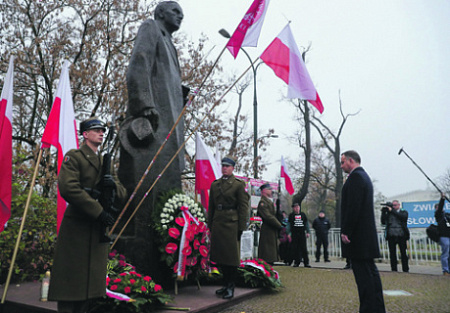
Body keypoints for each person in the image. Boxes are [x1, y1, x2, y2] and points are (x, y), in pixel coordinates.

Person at [48, 117, 127, 313]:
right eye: (97, 130)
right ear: (85, 134)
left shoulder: (104, 162)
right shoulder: (74, 157)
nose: (101, 133)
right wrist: (98, 212)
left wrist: (113, 186)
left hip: (96, 230)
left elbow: (123, 194)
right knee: (71, 286)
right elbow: (68, 188)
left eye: (102, 130)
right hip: (78, 228)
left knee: (90, 288)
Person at [340, 150, 385, 313]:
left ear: (351, 161)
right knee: (370, 275)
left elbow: (353, 207)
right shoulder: (363, 176)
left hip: (358, 238)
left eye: (343, 162)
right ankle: (376, 308)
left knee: (365, 278)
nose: (341, 166)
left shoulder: (356, 178)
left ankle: (369, 309)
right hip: (364, 237)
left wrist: (346, 231)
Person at [208, 157, 249, 299]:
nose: (225, 168)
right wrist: (209, 225)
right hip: (218, 222)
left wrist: (242, 227)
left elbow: (243, 207)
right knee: (220, 257)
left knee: (231, 258)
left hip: (232, 223)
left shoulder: (238, 185)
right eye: (223, 166)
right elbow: (211, 206)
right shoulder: (215, 184)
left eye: (228, 166)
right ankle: (224, 285)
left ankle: (231, 286)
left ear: (232, 168)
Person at [381, 200, 410, 272]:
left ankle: (405, 269)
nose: (393, 207)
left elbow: (403, 217)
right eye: (392, 205)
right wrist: (383, 212)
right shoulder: (388, 213)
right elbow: (383, 222)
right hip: (391, 235)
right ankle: (394, 269)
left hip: (401, 235)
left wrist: (392, 211)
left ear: (399, 205)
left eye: (395, 205)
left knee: (403, 253)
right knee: (392, 254)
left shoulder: (403, 212)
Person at [257, 183, 282, 265]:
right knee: (267, 252)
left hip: (271, 229)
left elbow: (273, 215)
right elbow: (268, 216)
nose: (271, 191)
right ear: (264, 191)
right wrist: (279, 225)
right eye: (269, 189)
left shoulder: (268, 201)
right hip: (267, 230)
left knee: (271, 251)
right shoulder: (263, 202)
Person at [287, 203, 311, 268]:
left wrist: (308, 232)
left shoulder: (303, 215)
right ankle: (296, 262)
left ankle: (306, 262)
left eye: (297, 207)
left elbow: (306, 224)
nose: (296, 208)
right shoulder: (291, 216)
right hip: (294, 233)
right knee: (295, 248)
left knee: (304, 248)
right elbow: (289, 225)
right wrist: (288, 233)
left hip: (302, 233)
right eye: (295, 207)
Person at [435, 193, 450, 275]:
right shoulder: (438, 215)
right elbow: (440, 208)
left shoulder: (447, 215)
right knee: (445, 253)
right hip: (444, 236)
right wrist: (442, 199)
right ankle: (445, 270)